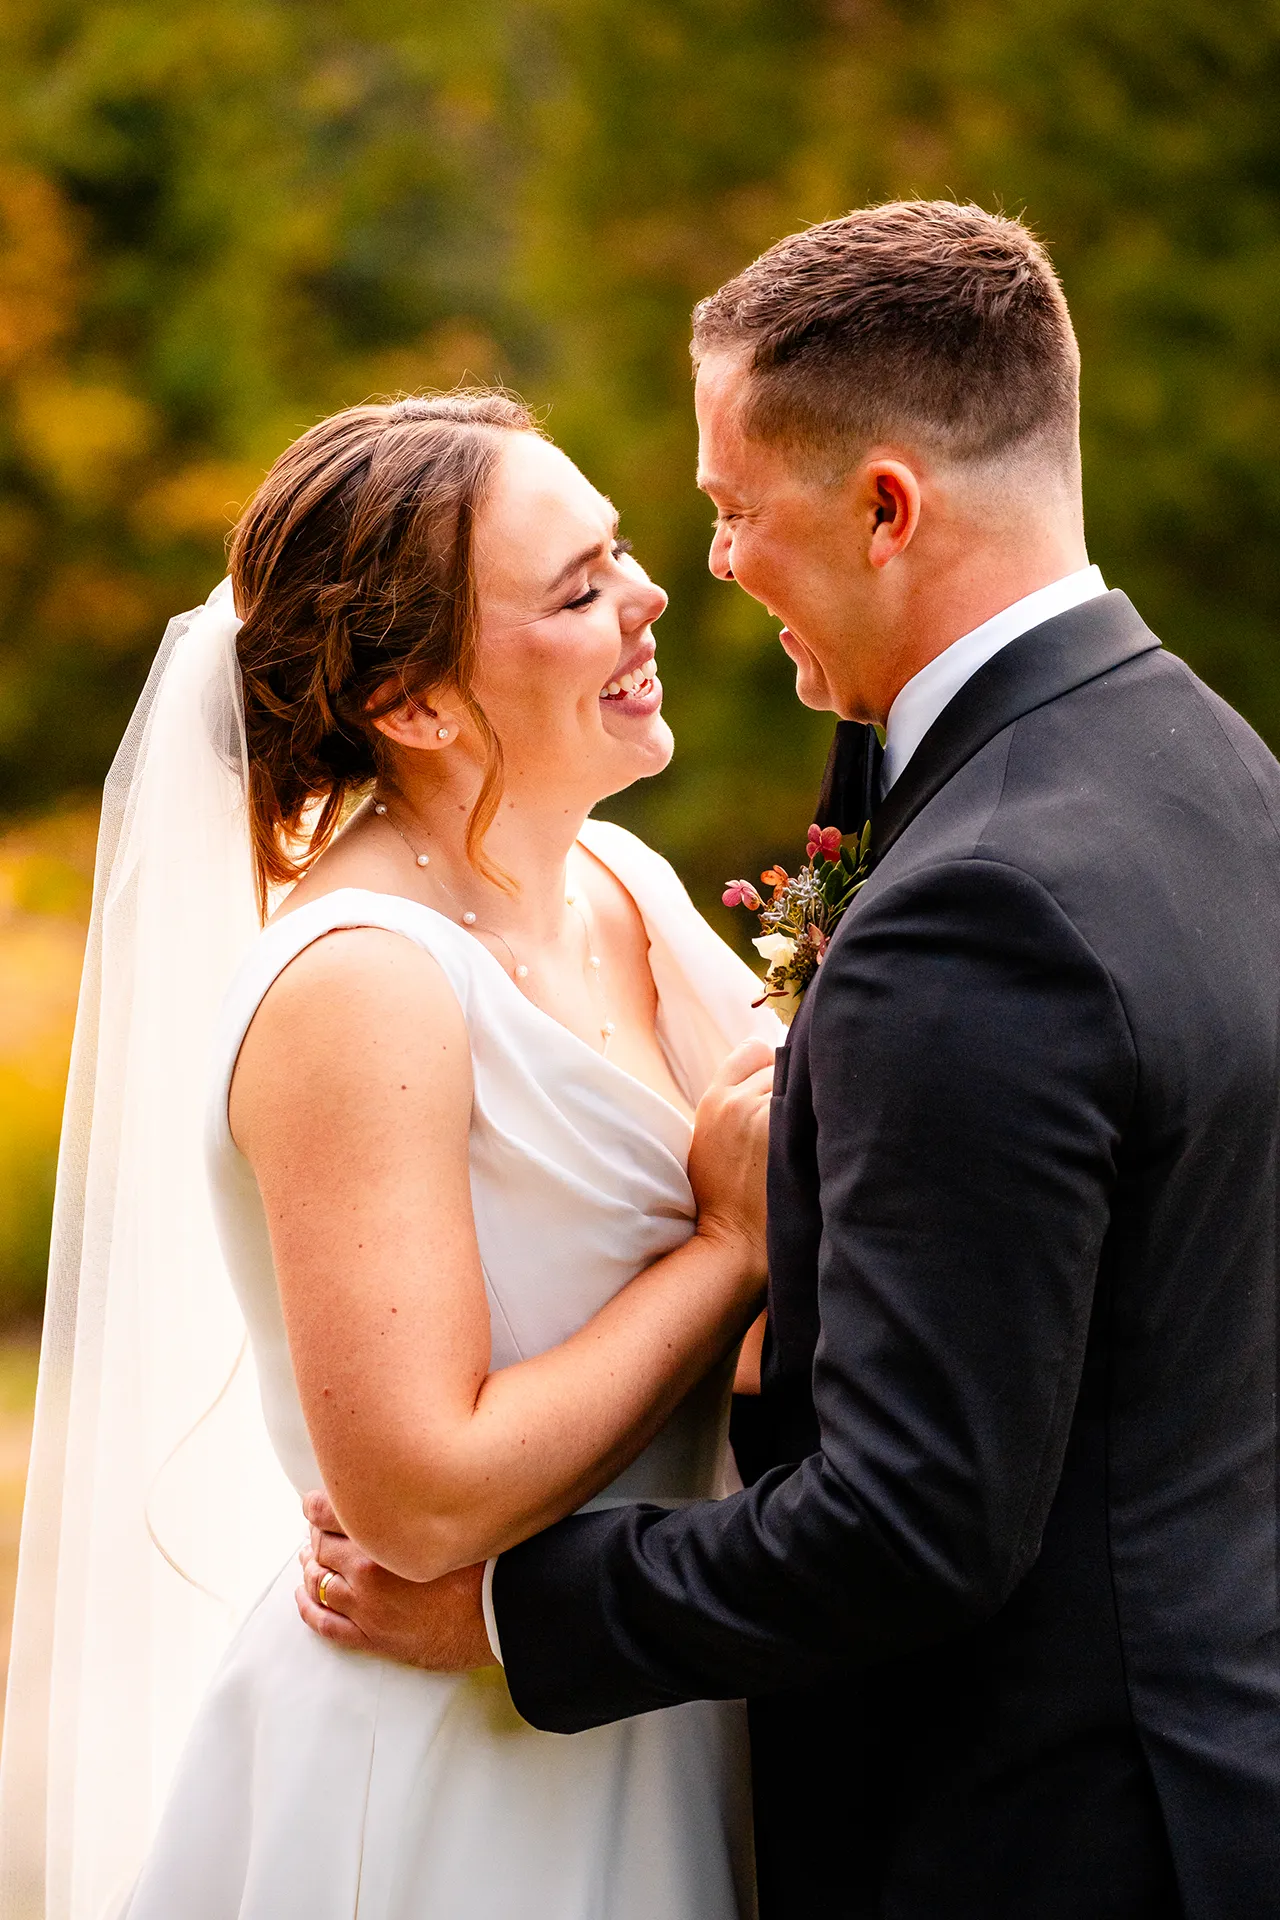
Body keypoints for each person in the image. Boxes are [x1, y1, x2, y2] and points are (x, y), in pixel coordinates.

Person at [301, 202, 1280, 1919]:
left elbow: (915, 1522)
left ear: (887, 507)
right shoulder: (1209, 763)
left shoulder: (981, 902)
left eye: (733, 509)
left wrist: (511, 1613)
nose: (712, 567)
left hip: (1048, 1830)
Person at [0, 390, 785, 1920]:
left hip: (637, 1690)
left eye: (617, 552)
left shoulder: (620, 880)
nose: (648, 598)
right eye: (576, 591)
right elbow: (420, 1497)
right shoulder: (363, 982)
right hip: (456, 1767)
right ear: (417, 706)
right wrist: (725, 1251)